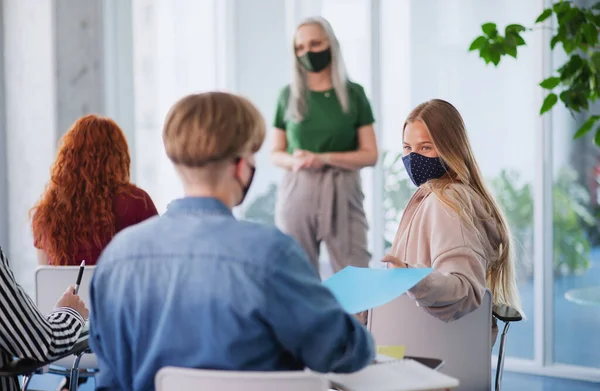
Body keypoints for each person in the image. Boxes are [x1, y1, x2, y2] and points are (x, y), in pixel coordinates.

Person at [88, 92, 374, 391]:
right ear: (241, 166)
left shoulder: (117, 257)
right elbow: (344, 351)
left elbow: (110, 380)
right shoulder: (271, 253)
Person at [383, 99, 522, 343]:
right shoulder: (439, 196)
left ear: (450, 148)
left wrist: (410, 278)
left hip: (430, 348)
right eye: (407, 148)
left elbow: (463, 290)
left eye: (425, 147)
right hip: (422, 339)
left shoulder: (447, 201)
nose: (413, 158)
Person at [271, 16, 378, 277]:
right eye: (300, 47)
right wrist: (295, 161)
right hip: (299, 187)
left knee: (355, 273)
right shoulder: (288, 96)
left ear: (331, 44)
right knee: (297, 275)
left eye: (315, 43)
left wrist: (324, 157)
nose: (308, 52)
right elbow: (275, 152)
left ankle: (357, 320)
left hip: (343, 187)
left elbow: (370, 154)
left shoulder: (354, 95)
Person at [30, 114, 158, 266]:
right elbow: (159, 264)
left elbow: (46, 279)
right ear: (118, 157)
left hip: (69, 290)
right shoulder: (137, 202)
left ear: (69, 158)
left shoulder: (46, 213)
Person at [0, 246, 88, 391]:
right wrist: (71, 311)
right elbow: (41, 342)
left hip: (53, 357)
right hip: (103, 351)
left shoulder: (41, 226)